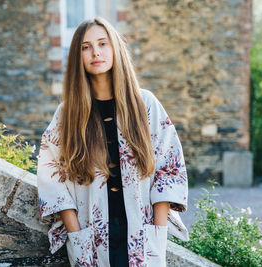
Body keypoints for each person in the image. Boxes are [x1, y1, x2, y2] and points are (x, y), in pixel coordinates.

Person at [37, 17, 189, 267]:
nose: (95, 52)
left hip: (142, 235)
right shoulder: (67, 115)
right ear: (78, 56)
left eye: (102, 44)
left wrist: (157, 233)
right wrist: (76, 236)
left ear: (115, 48)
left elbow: (168, 168)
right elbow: (51, 178)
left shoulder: (145, 105)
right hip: (90, 237)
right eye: (86, 47)